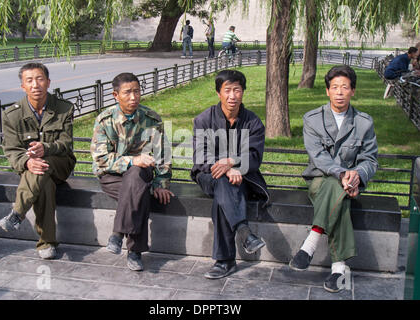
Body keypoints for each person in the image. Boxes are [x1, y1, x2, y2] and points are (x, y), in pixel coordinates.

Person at [289, 65, 378, 293]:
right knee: (335, 186)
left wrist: (358, 175)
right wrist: (342, 174)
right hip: (319, 180)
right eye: (335, 87)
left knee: (341, 195)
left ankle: (312, 242)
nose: (339, 92)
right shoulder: (312, 119)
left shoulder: (364, 122)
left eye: (345, 87)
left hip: (350, 183)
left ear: (353, 91)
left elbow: (369, 159)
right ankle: (339, 268)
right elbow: (318, 157)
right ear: (327, 91)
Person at [91, 72, 173, 272]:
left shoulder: (151, 119)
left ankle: (118, 233)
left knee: (136, 176)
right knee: (140, 191)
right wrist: (131, 160)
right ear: (115, 95)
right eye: (127, 92)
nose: (134, 97)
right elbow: (101, 159)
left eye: (137, 91)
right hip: (111, 176)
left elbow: (163, 155)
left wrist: (161, 183)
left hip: (141, 173)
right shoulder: (104, 120)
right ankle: (135, 251)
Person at [191, 69, 270, 280]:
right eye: (227, 90)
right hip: (208, 175)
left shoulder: (252, 121)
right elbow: (201, 158)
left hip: (241, 177)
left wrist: (233, 163)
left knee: (222, 195)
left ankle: (225, 261)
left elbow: (254, 157)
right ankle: (244, 231)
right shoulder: (204, 120)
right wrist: (225, 167)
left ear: (243, 92)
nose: (232, 96)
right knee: (222, 180)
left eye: (237, 90)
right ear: (219, 93)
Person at [0, 62, 76, 260]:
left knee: (44, 164)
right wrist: (26, 162)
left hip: (60, 163)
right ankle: (47, 243)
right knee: (43, 181)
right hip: (33, 170)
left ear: (48, 82)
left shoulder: (63, 108)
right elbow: (12, 150)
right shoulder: (12, 115)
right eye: (29, 80)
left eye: (40, 79)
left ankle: (17, 213)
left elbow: (66, 143)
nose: (35, 85)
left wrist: (47, 148)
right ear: (22, 86)